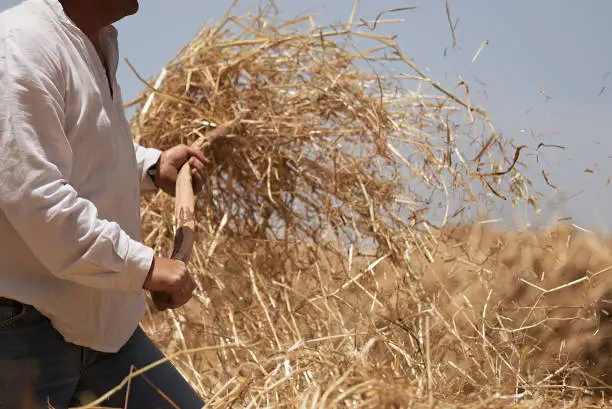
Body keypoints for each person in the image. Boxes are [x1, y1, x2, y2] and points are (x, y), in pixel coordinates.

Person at [0, 0, 208, 407]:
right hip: (23, 335)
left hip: (103, 328)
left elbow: (81, 148)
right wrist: (145, 267)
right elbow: (34, 197)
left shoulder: (97, 39)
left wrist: (151, 166)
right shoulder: (22, 44)